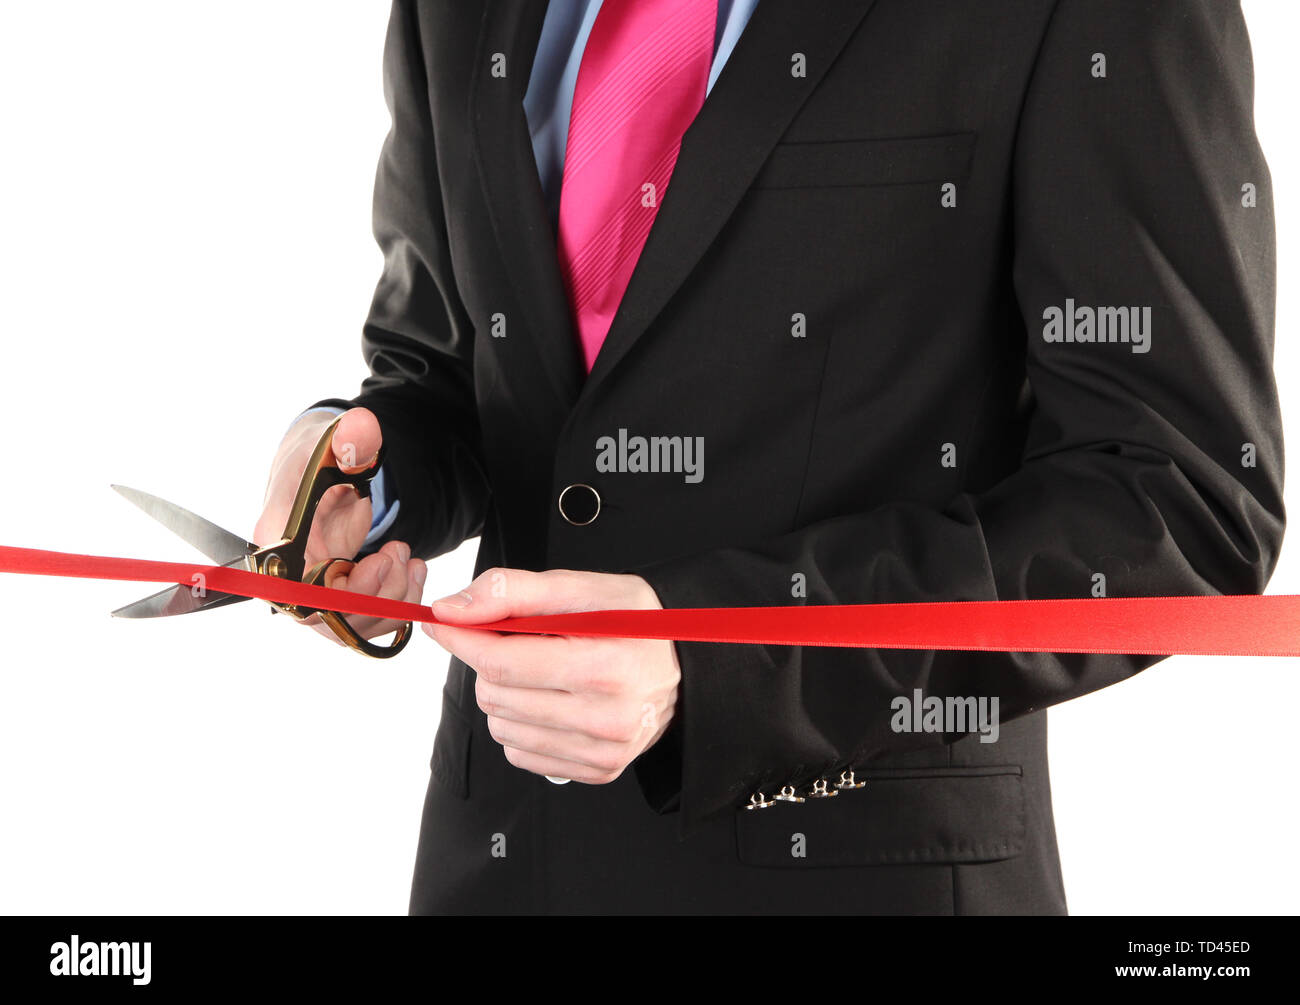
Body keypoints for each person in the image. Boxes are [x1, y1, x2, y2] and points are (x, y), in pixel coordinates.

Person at [256, 0, 1283, 914]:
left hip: (862, 865)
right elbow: (450, 364)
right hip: (498, 857)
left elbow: (1178, 496)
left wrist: (712, 659)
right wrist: (371, 479)